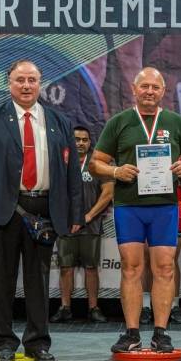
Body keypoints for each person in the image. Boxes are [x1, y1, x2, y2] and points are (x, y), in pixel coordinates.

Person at [0, 59, 83, 361]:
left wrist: (76, 213)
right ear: (9, 83)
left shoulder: (59, 121)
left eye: (32, 80)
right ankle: (3, 342)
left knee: (39, 281)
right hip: (4, 208)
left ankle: (37, 343)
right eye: (20, 80)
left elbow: (71, 171)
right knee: (2, 280)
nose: (26, 85)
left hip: (44, 209)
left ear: (40, 84)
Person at [89, 67, 181, 353]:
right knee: (131, 268)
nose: (149, 91)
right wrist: (116, 171)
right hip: (129, 206)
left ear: (163, 91)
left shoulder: (175, 122)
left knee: (164, 268)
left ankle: (161, 333)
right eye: (145, 86)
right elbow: (95, 163)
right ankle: (131, 333)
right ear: (134, 89)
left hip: (165, 206)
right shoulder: (119, 122)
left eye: (155, 87)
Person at [51, 126, 114, 324]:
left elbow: (108, 193)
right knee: (65, 267)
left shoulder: (97, 164)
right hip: (66, 225)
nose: (80, 143)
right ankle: (65, 307)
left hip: (91, 225)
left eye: (84, 140)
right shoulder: (60, 162)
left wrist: (88, 216)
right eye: (76, 139)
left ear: (89, 142)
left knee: (91, 268)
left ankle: (93, 308)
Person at [140, 179, 181, 325]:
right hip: (146, 205)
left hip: (174, 207)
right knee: (146, 258)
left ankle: (174, 305)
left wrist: (179, 177)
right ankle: (145, 306)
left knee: (171, 261)